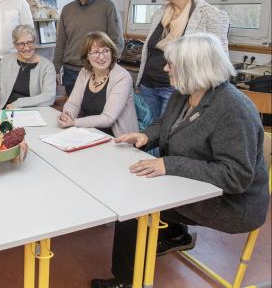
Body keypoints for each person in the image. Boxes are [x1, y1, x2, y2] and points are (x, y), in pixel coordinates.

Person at [91, 33, 269, 288]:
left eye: (171, 64)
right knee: (133, 190)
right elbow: (166, 123)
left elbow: (236, 176)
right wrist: (145, 136)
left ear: (193, 68)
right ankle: (169, 237)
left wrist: (169, 165)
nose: (165, 68)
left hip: (233, 204)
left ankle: (126, 281)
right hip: (194, 185)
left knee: (133, 205)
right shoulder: (185, 92)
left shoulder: (233, 109)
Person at [136, 0, 229, 121]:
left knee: (169, 137)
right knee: (148, 134)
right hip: (148, 85)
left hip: (177, 89)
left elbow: (219, 64)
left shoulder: (211, 15)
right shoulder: (159, 13)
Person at [53, 0, 123, 96]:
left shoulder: (108, 7)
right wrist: (56, 69)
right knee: (73, 112)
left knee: (98, 113)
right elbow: (61, 43)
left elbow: (117, 42)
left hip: (98, 71)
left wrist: (107, 68)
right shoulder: (67, 10)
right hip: (71, 72)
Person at [56, 31, 137, 137]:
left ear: (112, 53)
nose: (102, 57)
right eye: (95, 52)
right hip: (89, 133)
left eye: (106, 51)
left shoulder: (122, 77)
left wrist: (74, 122)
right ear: (87, 56)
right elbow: (73, 104)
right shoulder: (85, 72)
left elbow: (108, 118)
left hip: (117, 139)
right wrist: (67, 115)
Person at [0, 25, 56, 110]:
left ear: (35, 42)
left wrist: (18, 104)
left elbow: (49, 97)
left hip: (33, 113)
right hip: (5, 110)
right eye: (21, 44)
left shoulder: (47, 67)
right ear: (15, 45)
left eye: (30, 42)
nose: (26, 48)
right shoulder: (5, 61)